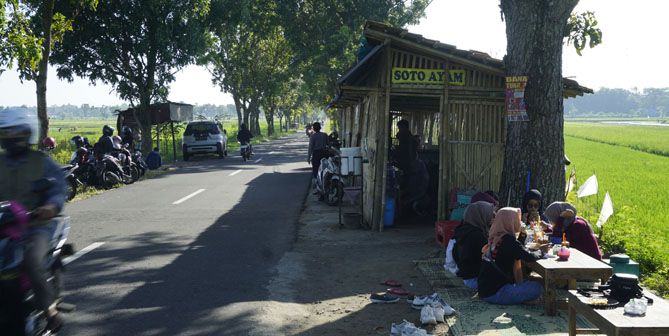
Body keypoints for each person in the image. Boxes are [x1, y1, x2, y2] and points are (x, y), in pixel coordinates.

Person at [0, 108, 66, 332]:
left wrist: (50, 206)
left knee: (31, 259)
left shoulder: (42, 162)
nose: (11, 136)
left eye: (16, 131)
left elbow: (58, 188)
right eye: (6, 132)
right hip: (3, 225)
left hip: (35, 226)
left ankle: (50, 311)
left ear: (28, 133)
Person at [478, 207, 544, 305]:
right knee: (537, 287)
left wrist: (522, 234)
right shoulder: (508, 240)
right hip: (496, 293)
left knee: (528, 284)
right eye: (517, 219)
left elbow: (517, 250)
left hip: (484, 290)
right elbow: (529, 257)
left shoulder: (495, 237)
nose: (519, 222)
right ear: (510, 221)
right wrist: (542, 251)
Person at [452, 201, 495, 289]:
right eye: (491, 215)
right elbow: (490, 259)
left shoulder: (464, 229)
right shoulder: (477, 236)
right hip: (475, 279)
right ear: (481, 216)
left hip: (467, 276)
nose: (493, 218)